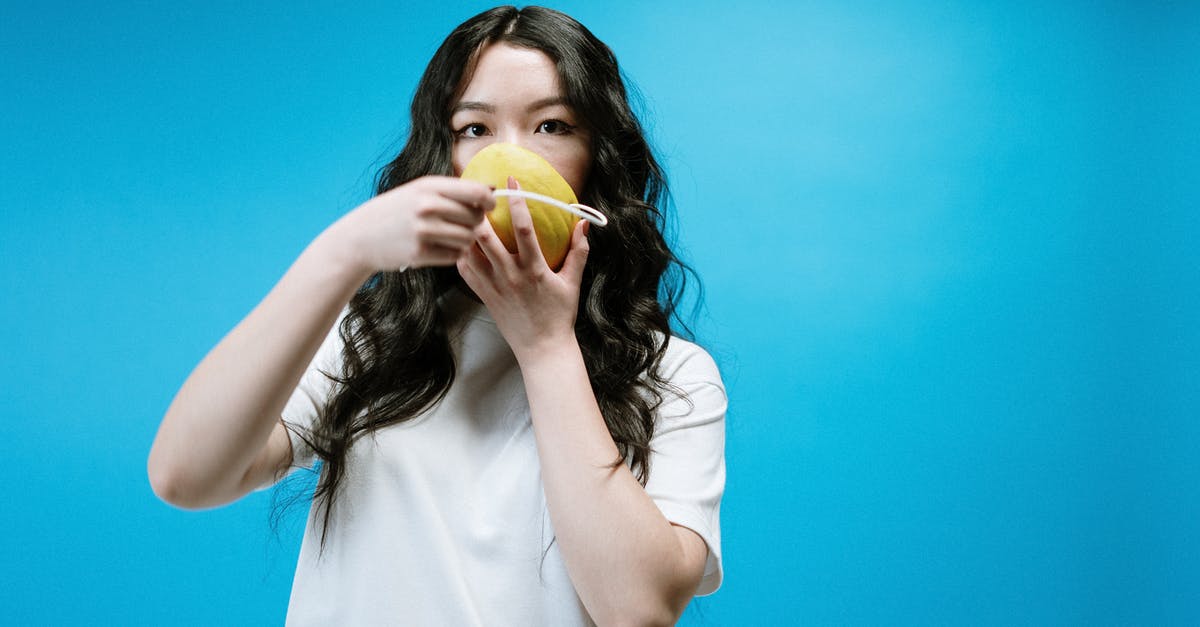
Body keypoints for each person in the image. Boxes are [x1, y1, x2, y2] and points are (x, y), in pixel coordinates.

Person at [147, 6, 725, 625]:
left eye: (552, 125)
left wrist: (546, 345)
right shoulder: (370, 342)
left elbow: (638, 609)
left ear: (600, 161)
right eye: (474, 129)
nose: (509, 162)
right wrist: (342, 253)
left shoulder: (674, 378)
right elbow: (185, 475)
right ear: (441, 161)